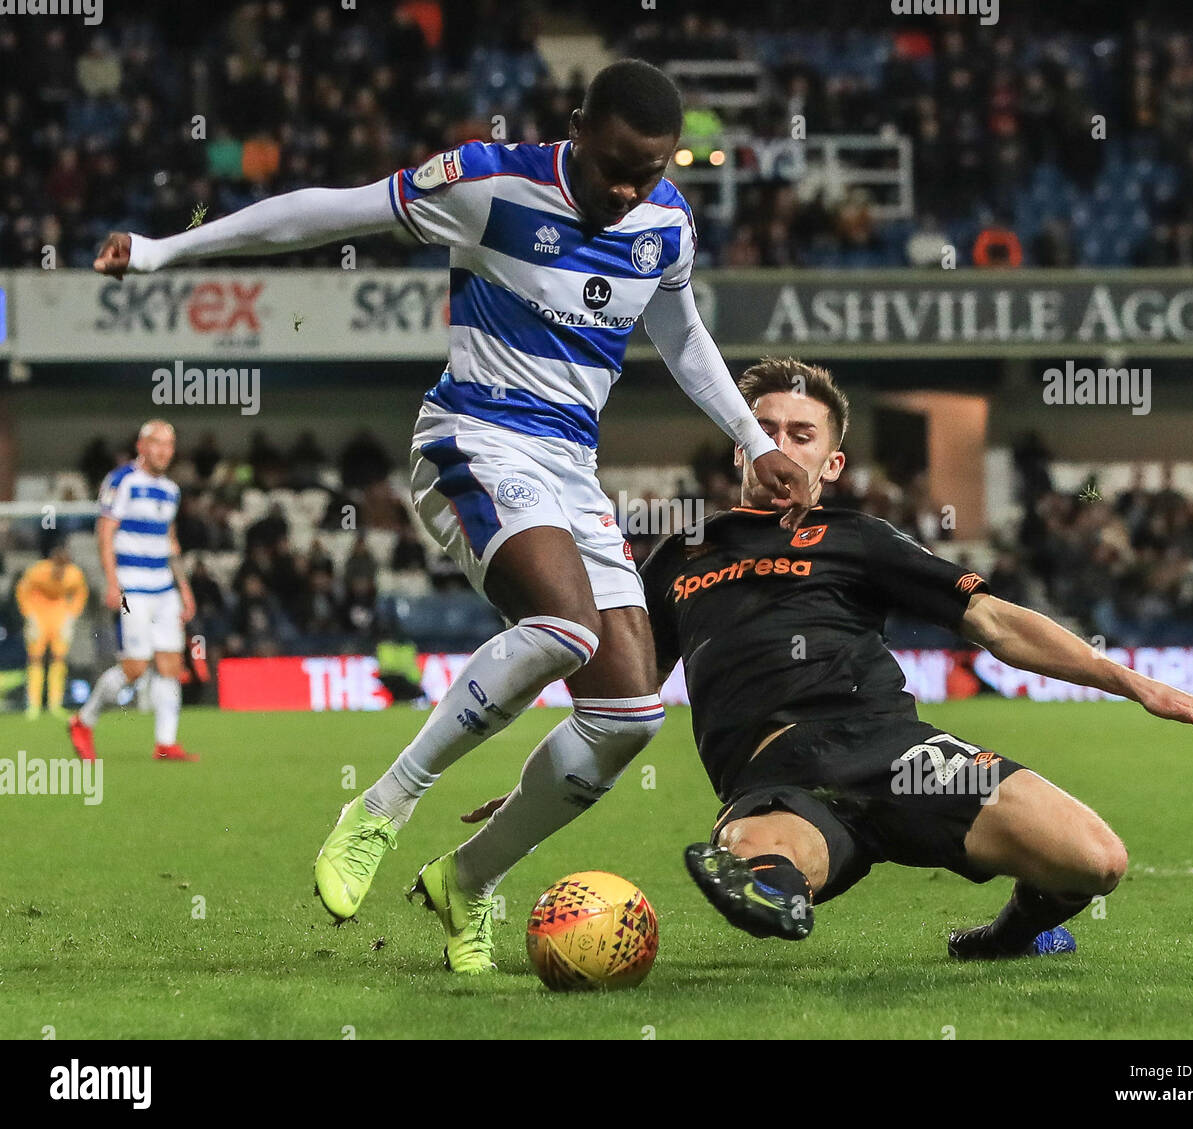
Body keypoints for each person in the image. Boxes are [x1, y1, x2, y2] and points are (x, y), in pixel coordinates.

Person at [93, 59, 809, 971]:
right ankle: (381, 807)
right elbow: (323, 210)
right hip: (473, 436)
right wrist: (164, 250)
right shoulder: (487, 185)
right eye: (617, 166)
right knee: (562, 626)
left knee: (629, 712)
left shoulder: (663, 224)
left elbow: (681, 334)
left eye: (654, 169)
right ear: (578, 126)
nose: (631, 189)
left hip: (570, 470)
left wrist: (753, 440)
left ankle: (466, 881)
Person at [630, 358, 1193, 956]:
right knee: (761, 867)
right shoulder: (683, 552)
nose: (780, 445)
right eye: (762, 429)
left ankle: (1002, 940)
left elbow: (997, 624)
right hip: (777, 777)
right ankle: (778, 884)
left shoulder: (860, 538)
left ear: (832, 462)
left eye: (802, 433)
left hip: (897, 753)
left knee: (1096, 861)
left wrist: (1139, 686)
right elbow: (630, 690)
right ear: (738, 446)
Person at [68, 420, 199, 763]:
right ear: (142, 445)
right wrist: (112, 582)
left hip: (163, 587)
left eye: (169, 444)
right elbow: (105, 533)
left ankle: (165, 743)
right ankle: (83, 721)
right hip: (132, 588)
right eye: (157, 443)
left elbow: (170, 540)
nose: (163, 451)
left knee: (171, 663)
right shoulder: (121, 480)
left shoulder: (171, 489)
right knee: (136, 667)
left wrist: (184, 587)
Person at [15, 541, 88, 719]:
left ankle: (55, 704)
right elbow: (22, 591)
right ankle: (33, 704)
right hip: (38, 613)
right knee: (35, 658)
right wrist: (29, 617)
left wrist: (70, 618)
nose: (59, 571)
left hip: (59, 613)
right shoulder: (38, 571)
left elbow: (80, 595)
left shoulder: (74, 574)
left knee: (59, 657)